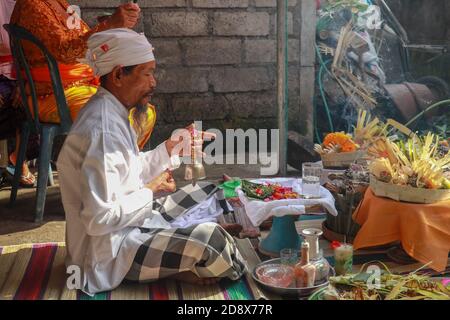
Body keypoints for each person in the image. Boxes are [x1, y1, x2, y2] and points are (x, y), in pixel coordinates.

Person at [56, 29, 245, 295]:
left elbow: (128, 172)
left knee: (211, 189)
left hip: (132, 226)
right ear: (119, 74)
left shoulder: (112, 110)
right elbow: (99, 219)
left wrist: (170, 148)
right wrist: (151, 190)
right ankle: (183, 261)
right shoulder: (103, 130)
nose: (154, 83)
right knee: (213, 241)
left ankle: (183, 247)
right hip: (110, 256)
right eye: (147, 73)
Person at [8, 0, 156, 186]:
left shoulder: (59, 4)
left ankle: (113, 179)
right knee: (115, 116)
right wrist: (110, 24)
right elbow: (66, 51)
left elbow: (82, 43)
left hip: (75, 89)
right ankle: (101, 185)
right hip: (49, 95)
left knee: (141, 111)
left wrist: (114, 25)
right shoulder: (33, 5)